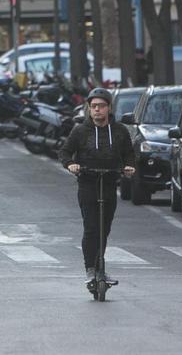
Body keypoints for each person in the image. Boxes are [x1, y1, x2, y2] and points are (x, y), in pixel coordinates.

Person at [60, 88, 136, 291]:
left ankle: (100, 266)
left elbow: (129, 153)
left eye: (101, 106)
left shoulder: (119, 131)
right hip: (88, 183)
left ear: (109, 108)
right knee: (92, 227)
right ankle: (90, 269)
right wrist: (70, 164)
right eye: (93, 106)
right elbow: (65, 152)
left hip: (109, 182)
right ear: (89, 109)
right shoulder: (80, 130)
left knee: (105, 228)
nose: (97, 110)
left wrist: (129, 166)